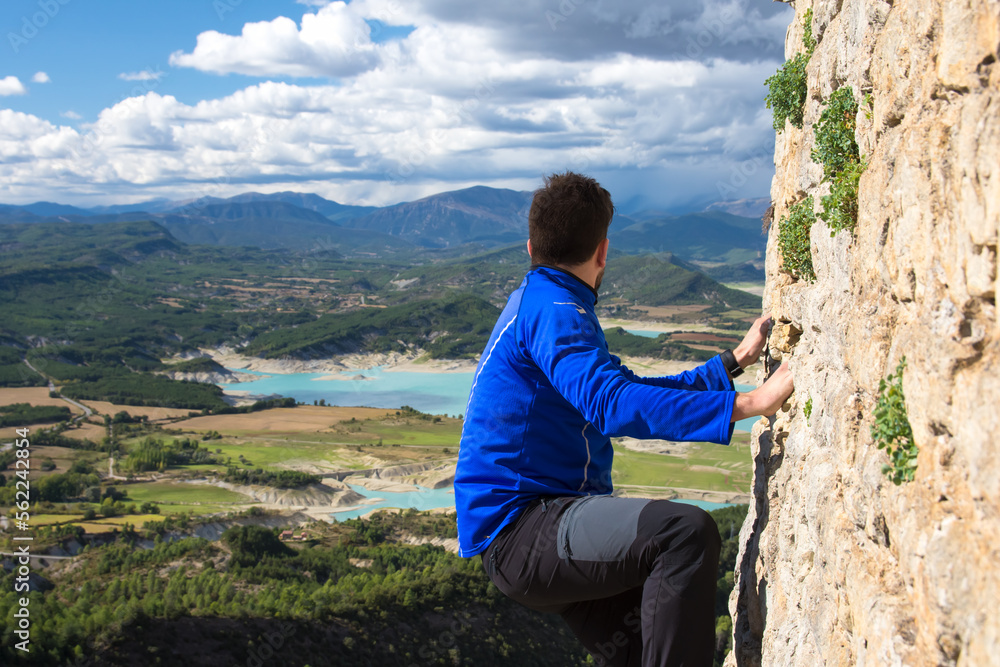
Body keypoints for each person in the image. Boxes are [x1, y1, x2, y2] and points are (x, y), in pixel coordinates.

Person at [454, 171, 795, 666]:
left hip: (529, 537)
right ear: (603, 252)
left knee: (644, 646)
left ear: (531, 247)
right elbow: (612, 405)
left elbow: (624, 389)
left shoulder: (539, 300)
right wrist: (746, 405)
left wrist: (729, 365)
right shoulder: (556, 310)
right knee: (684, 534)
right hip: (524, 531)